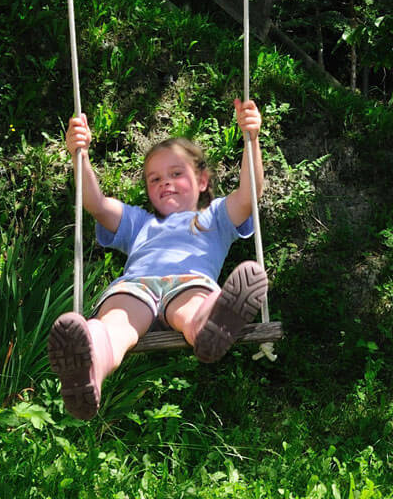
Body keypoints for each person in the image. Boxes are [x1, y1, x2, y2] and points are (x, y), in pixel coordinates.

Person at [47, 99, 270, 419]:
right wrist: (78, 154)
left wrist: (251, 139)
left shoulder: (216, 216)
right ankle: (88, 368)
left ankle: (211, 326)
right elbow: (95, 204)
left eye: (176, 173)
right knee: (114, 327)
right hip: (135, 287)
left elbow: (249, 195)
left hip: (190, 283)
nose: (165, 182)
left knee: (195, 308)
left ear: (202, 181)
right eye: (155, 178)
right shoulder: (138, 222)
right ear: (150, 191)